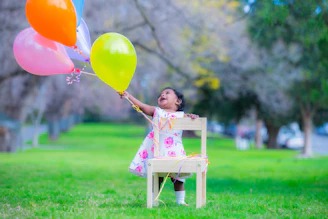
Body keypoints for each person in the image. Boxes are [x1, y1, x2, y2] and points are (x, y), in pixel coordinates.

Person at [119, 87, 199, 206]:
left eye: (167, 93)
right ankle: (153, 201)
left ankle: (180, 201)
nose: (162, 95)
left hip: (175, 151)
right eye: (161, 94)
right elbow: (141, 106)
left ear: (178, 101)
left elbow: (196, 122)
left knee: (178, 178)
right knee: (157, 177)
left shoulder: (182, 115)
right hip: (158, 150)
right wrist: (128, 96)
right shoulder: (157, 111)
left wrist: (193, 117)